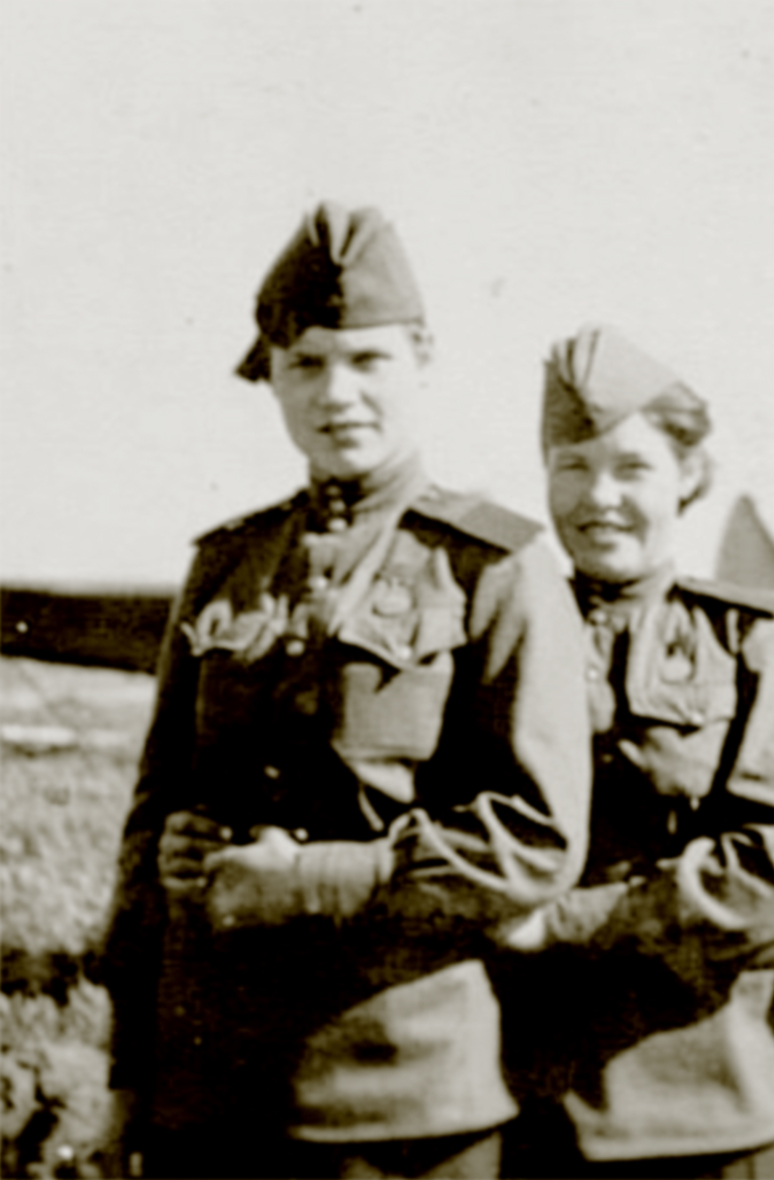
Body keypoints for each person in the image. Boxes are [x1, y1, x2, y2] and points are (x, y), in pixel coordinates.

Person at [95, 202, 593, 1179]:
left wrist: (308, 880)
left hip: (396, 1101)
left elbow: (534, 838)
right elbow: (149, 830)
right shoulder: (226, 563)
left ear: (422, 360)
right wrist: (127, 1071)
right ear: (271, 377)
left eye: (367, 362)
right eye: (307, 364)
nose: (338, 394)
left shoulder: (493, 564)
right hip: (211, 1097)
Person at [496, 323, 774, 1179]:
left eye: (632, 468)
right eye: (573, 466)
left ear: (688, 476)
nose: (599, 496)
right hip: (538, 1110)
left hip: (716, 1116)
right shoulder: (498, 629)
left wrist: (562, 922)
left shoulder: (754, 641)